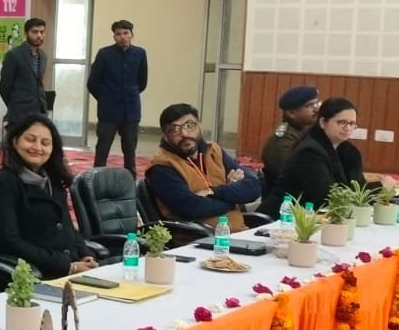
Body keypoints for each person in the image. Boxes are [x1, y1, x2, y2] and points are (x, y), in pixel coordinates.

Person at [0, 114, 99, 278]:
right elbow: (8, 242)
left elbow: (68, 228)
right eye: (30, 139)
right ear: (15, 141)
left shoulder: (53, 181)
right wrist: (68, 266)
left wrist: (85, 255)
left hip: (70, 267)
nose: (37, 147)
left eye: (45, 143)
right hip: (35, 274)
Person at [144, 103, 262, 232]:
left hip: (238, 231)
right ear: (165, 136)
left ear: (200, 125)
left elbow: (253, 187)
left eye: (189, 125)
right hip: (198, 238)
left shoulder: (214, 151)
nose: (184, 133)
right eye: (174, 130)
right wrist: (233, 199)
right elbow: (190, 208)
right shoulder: (162, 166)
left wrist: (213, 192)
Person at [274, 97, 368, 212]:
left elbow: (359, 188)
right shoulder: (309, 152)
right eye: (342, 122)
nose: (347, 128)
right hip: (286, 216)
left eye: (352, 123)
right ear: (323, 122)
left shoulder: (349, 151)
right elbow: (326, 197)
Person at [87, 19, 148, 176]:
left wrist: (130, 94)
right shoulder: (104, 54)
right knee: (102, 150)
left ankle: (130, 181)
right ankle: (96, 179)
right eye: (118, 34)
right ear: (114, 37)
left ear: (132, 35)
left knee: (130, 151)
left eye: (126, 33)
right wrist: (104, 98)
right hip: (108, 111)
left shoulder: (140, 54)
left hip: (131, 111)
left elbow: (142, 82)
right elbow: (92, 83)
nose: (122, 37)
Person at [259, 85, 320, 197]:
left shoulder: (307, 132)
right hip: (287, 202)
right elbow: (290, 177)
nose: (316, 109)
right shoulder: (283, 141)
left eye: (316, 103)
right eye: (310, 105)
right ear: (292, 113)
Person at [0, 17, 48, 127]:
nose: (39, 35)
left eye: (42, 32)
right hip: (19, 115)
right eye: (35, 32)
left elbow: (38, 84)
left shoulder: (43, 56)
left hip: (39, 113)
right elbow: (4, 87)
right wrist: (14, 106)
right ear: (26, 33)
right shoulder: (14, 55)